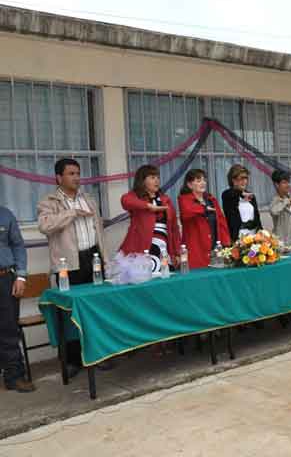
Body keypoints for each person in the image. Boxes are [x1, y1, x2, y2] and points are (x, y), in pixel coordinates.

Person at [37, 158, 109, 377]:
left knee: (95, 308)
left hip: (93, 257)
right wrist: (72, 213)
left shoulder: (88, 199)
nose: (76, 177)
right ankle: (73, 360)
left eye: (78, 173)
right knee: (69, 313)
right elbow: (45, 226)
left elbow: (99, 230)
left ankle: (97, 355)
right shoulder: (49, 201)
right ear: (59, 178)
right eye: (71, 174)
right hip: (68, 263)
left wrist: (105, 258)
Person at [120, 165, 181, 272]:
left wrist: (177, 252)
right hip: (142, 249)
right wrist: (148, 206)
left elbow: (174, 229)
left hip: (163, 249)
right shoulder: (135, 197)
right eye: (152, 177)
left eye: (158, 177)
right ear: (142, 181)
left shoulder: (165, 199)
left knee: (165, 277)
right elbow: (125, 200)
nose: (157, 181)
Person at [0, 206, 34, 393]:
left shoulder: (5, 214)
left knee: (9, 330)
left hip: (5, 279)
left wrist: (21, 276)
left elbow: (18, 245)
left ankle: (14, 376)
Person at [178, 169, 231, 269]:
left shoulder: (211, 200)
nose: (203, 183)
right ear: (189, 185)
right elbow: (187, 212)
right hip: (196, 251)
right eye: (198, 181)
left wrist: (226, 243)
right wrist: (204, 209)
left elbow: (221, 222)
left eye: (204, 180)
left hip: (215, 250)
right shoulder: (184, 199)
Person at [222, 165, 262, 241]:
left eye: (246, 178)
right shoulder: (227, 195)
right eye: (242, 178)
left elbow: (257, 218)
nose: (245, 181)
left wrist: (261, 233)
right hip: (238, 237)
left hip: (254, 236)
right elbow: (232, 194)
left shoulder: (250, 195)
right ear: (233, 180)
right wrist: (242, 194)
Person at [269, 170, 291, 247]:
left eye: (289, 182)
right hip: (282, 243)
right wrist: (285, 202)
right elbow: (273, 211)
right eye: (284, 182)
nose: (288, 185)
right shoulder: (275, 200)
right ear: (277, 185)